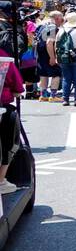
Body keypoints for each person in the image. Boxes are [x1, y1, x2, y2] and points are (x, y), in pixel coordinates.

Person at [0, 54, 27, 195]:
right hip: (2, 105)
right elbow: (18, 88)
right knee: (8, 139)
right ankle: (1, 180)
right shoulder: (3, 57)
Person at [35, 10, 63, 101]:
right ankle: (53, 96)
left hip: (40, 52)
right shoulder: (53, 27)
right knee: (57, 73)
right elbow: (49, 42)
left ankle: (43, 95)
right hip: (48, 52)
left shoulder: (42, 26)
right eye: (61, 19)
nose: (62, 21)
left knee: (44, 73)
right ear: (57, 18)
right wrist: (52, 57)